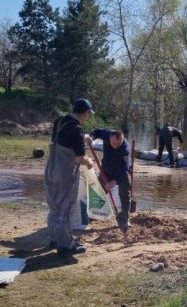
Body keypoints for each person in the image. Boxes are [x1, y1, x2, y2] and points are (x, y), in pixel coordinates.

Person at [45, 98, 94, 255]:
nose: (88, 116)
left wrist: (83, 138)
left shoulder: (60, 121)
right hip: (65, 172)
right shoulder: (77, 130)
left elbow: (63, 138)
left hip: (51, 168)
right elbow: (80, 158)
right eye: (89, 114)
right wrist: (89, 162)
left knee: (53, 206)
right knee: (64, 208)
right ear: (86, 112)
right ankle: (66, 244)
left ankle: (54, 239)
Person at [85, 129, 131, 229]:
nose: (116, 146)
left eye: (119, 144)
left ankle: (125, 219)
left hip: (121, 173)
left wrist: (114, 181)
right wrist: (91, 137)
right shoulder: (107, 134)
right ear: (109, 137)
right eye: (114, 143)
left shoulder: (125, 150)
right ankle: (94, 215)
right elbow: (96, 131)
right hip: (106, 169)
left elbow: (125, 169)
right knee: (99, 191)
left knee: (124, 194)